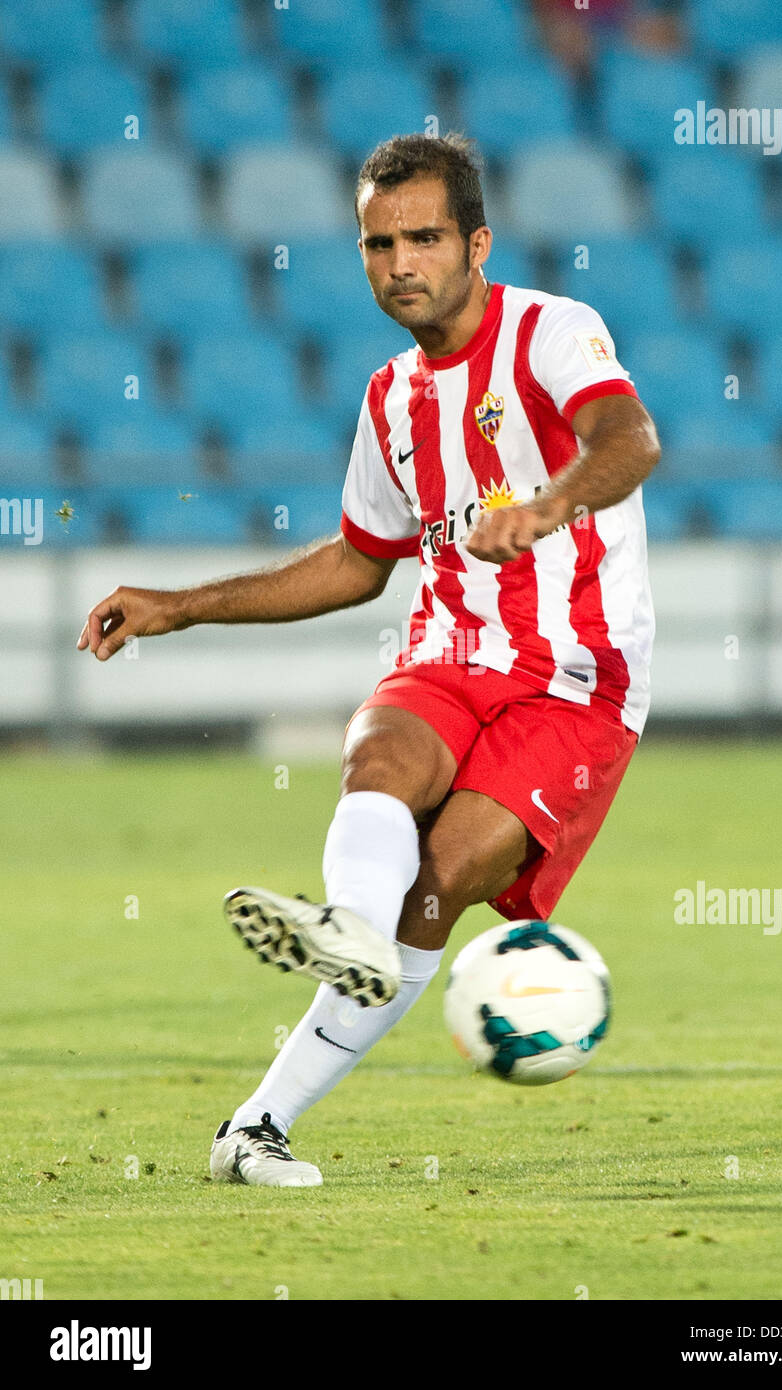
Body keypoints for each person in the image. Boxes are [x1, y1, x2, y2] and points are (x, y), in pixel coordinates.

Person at [77, 134, 660, 1188]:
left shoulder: (550, 333)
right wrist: (180, 607)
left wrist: (545, 507)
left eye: (424, 238)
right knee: (380, 759)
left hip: (575, 681)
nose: (400, 263)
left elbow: (629, 441)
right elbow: (357, 560)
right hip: (446, 648)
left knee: (436, 888)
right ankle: (340, 940)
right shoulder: (390, 397)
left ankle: (260, 1112)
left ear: (477, 241)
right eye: (376, 242)